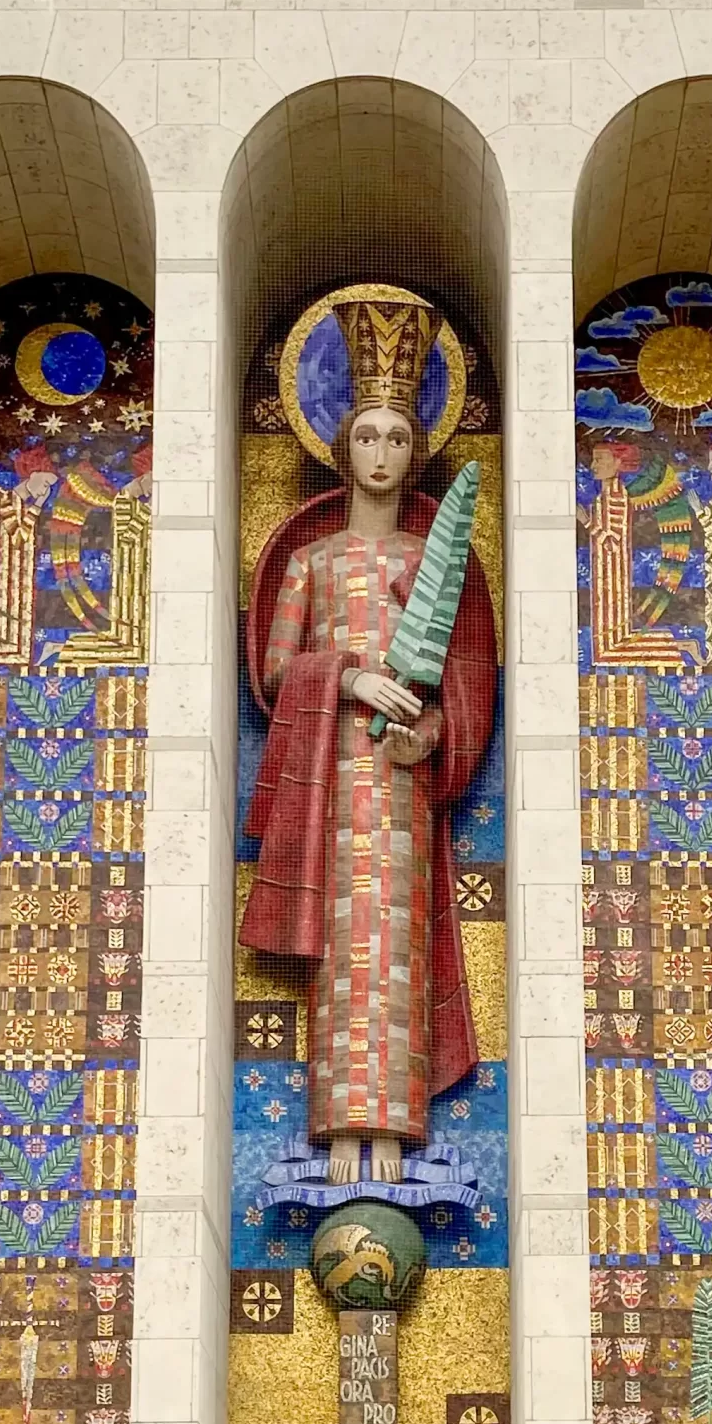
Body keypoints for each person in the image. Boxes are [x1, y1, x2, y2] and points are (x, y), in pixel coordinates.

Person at [240, 291, 497, 1186]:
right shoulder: (312, 563)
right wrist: (346, 675)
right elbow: (276, 671)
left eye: (396, 437)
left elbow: (466, 681)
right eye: (367, 437)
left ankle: (392, 1139)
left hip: (400, 792)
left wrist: (427, 737)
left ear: (414, 450)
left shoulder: (439, 562)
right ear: (340, 450)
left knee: (396, 953)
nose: (381, 453)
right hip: (330, 786)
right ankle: (338, 1137)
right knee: (345, 957)